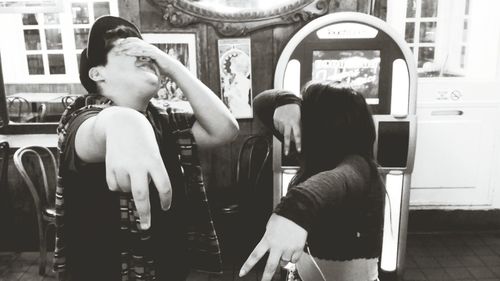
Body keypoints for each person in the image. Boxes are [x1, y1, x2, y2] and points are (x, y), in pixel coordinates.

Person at [53, 16, 238, 281]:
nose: (144, 56)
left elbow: (224, 129)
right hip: (101, 270)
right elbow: (96, 129)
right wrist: (124, 120)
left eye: (146, 53)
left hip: (168, 264)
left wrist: (173, 66)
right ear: (97, 73)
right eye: (127, 50)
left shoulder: (166, 122)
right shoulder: (80, 119)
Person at [239, 81, 385, 281]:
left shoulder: (360, 166)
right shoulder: (312, 152)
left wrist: (296, 208)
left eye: (305, 114)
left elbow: (338, 179)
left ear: (319, 126)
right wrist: (287, 101)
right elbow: (261, 104)